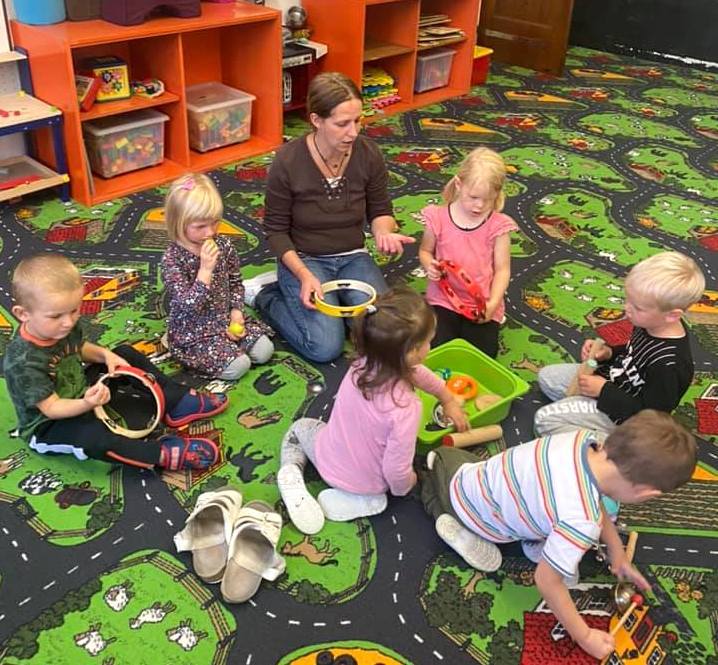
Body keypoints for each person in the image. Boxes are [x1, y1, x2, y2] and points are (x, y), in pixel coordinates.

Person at [421, 410, 696, 660]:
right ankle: (458, 525)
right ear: (647, 493)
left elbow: (594, 499)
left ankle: (507, 531)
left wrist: (617, 553)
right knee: (436, 470)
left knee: (454, 459)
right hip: (474, 510)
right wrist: (584, 636)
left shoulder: (583, 441)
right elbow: (546, 581)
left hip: (485, 481)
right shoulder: (581, 521)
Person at [246, 72, 414, 363]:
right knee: (325, 347)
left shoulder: (368, 153)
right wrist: (303, 275)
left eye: (358, 121)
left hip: (353, 255)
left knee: (382, 333)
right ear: (316, 120)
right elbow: (275, 231)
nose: (353, 132)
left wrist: (383, 231)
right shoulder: (288, 161)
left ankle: (334, 308)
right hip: (305, 259)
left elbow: (380, 210)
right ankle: (265, 295)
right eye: (342, 124)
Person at [4, 254, 229, 471]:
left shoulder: (61, 325)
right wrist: (87, 404)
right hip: (50, 425)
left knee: (124, 353)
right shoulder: (22, 363)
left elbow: (78, 348)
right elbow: (52, 409)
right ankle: (158, 454)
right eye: (56, 316)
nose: (68, 322)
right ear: (23, 314)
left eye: (74, 311)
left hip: (82, 392)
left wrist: (106, 356)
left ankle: (176, 401)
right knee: (94, 437)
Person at [276, 287, 468, 534]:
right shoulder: (405, 409)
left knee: (300, 427)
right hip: (369, 483)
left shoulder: (362, 363)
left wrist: (446, 397)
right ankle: (366, 499)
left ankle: (291, 470)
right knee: (390, 481)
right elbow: (396, 470)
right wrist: (406, 486)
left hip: (327, 455)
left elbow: (416, 372)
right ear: (412, 352)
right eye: (428, 341)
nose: (430, 345)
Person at [534, 251, 705, 436]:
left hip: (624, 417)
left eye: (637, 307)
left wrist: (603, 391)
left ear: (672, 315)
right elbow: (631, 353)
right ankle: (578, 415)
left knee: (543, 420)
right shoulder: (649, 324)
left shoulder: (669, 365)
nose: (626, 309)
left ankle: (612, 443)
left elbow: (652, 417)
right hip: (611, 382)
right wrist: (608, 353)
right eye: (628, 300)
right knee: (548, 377)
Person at [161, 173, 274, 379]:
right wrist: (205, 271)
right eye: (200, 226)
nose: (210, 232)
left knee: (265, 351)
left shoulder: (223, 245)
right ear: (178, 222)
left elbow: (235, 282)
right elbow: (187, 307)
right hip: (194, 329)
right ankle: (188, 349)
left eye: (215, 223)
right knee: (240, 366)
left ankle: (229, 347)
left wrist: (236, 312)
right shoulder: (172, 259)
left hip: (224, 316)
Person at [418, 147, 517, 357]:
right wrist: (429, 265)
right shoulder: (438, 217)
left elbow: (502, 270)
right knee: (436, 349)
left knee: (483, 354)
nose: (479, 206)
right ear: (458, 184)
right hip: (443, 298)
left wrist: (493, 304)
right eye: (473, 197)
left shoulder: (498, 226)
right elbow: (425, 251)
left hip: (481, 302)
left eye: (488, 199)